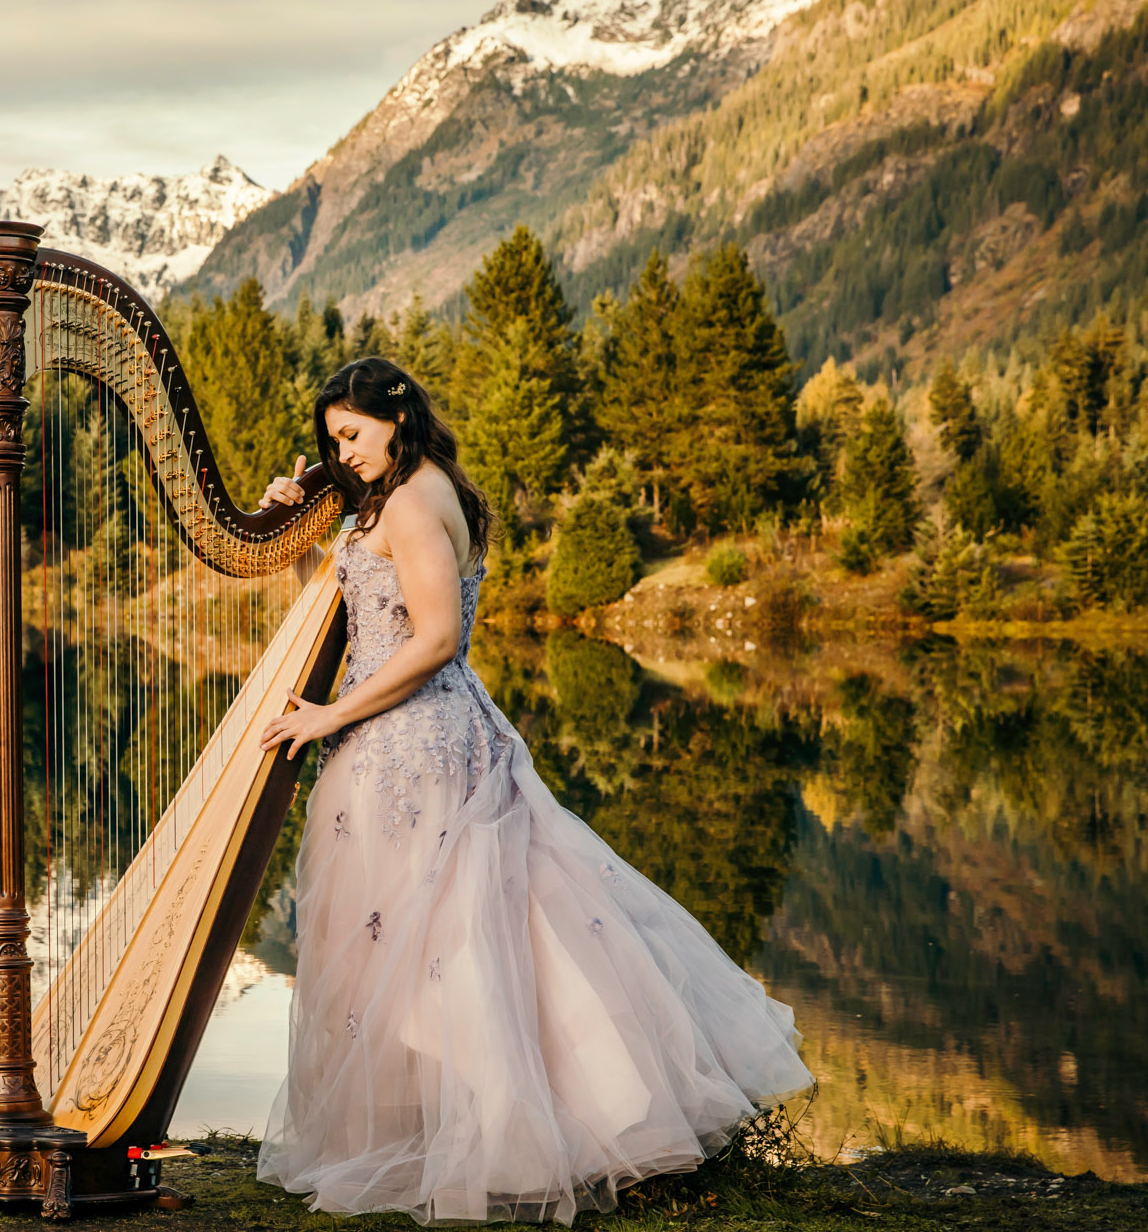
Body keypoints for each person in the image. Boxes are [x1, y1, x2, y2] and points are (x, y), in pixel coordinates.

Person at [252, 356, 813, 1226]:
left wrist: (328, 719)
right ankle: (447, 1123)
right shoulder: (416, 492)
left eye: (352, 434)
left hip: (413, 742)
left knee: (447, 943)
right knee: (421, 945)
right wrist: (292, 538)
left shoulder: (410, 500)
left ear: (396, 417)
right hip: (400, 732)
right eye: (332, 440)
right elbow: (351, 619)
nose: (342, 452)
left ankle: (514, 1131)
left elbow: (434, 638)